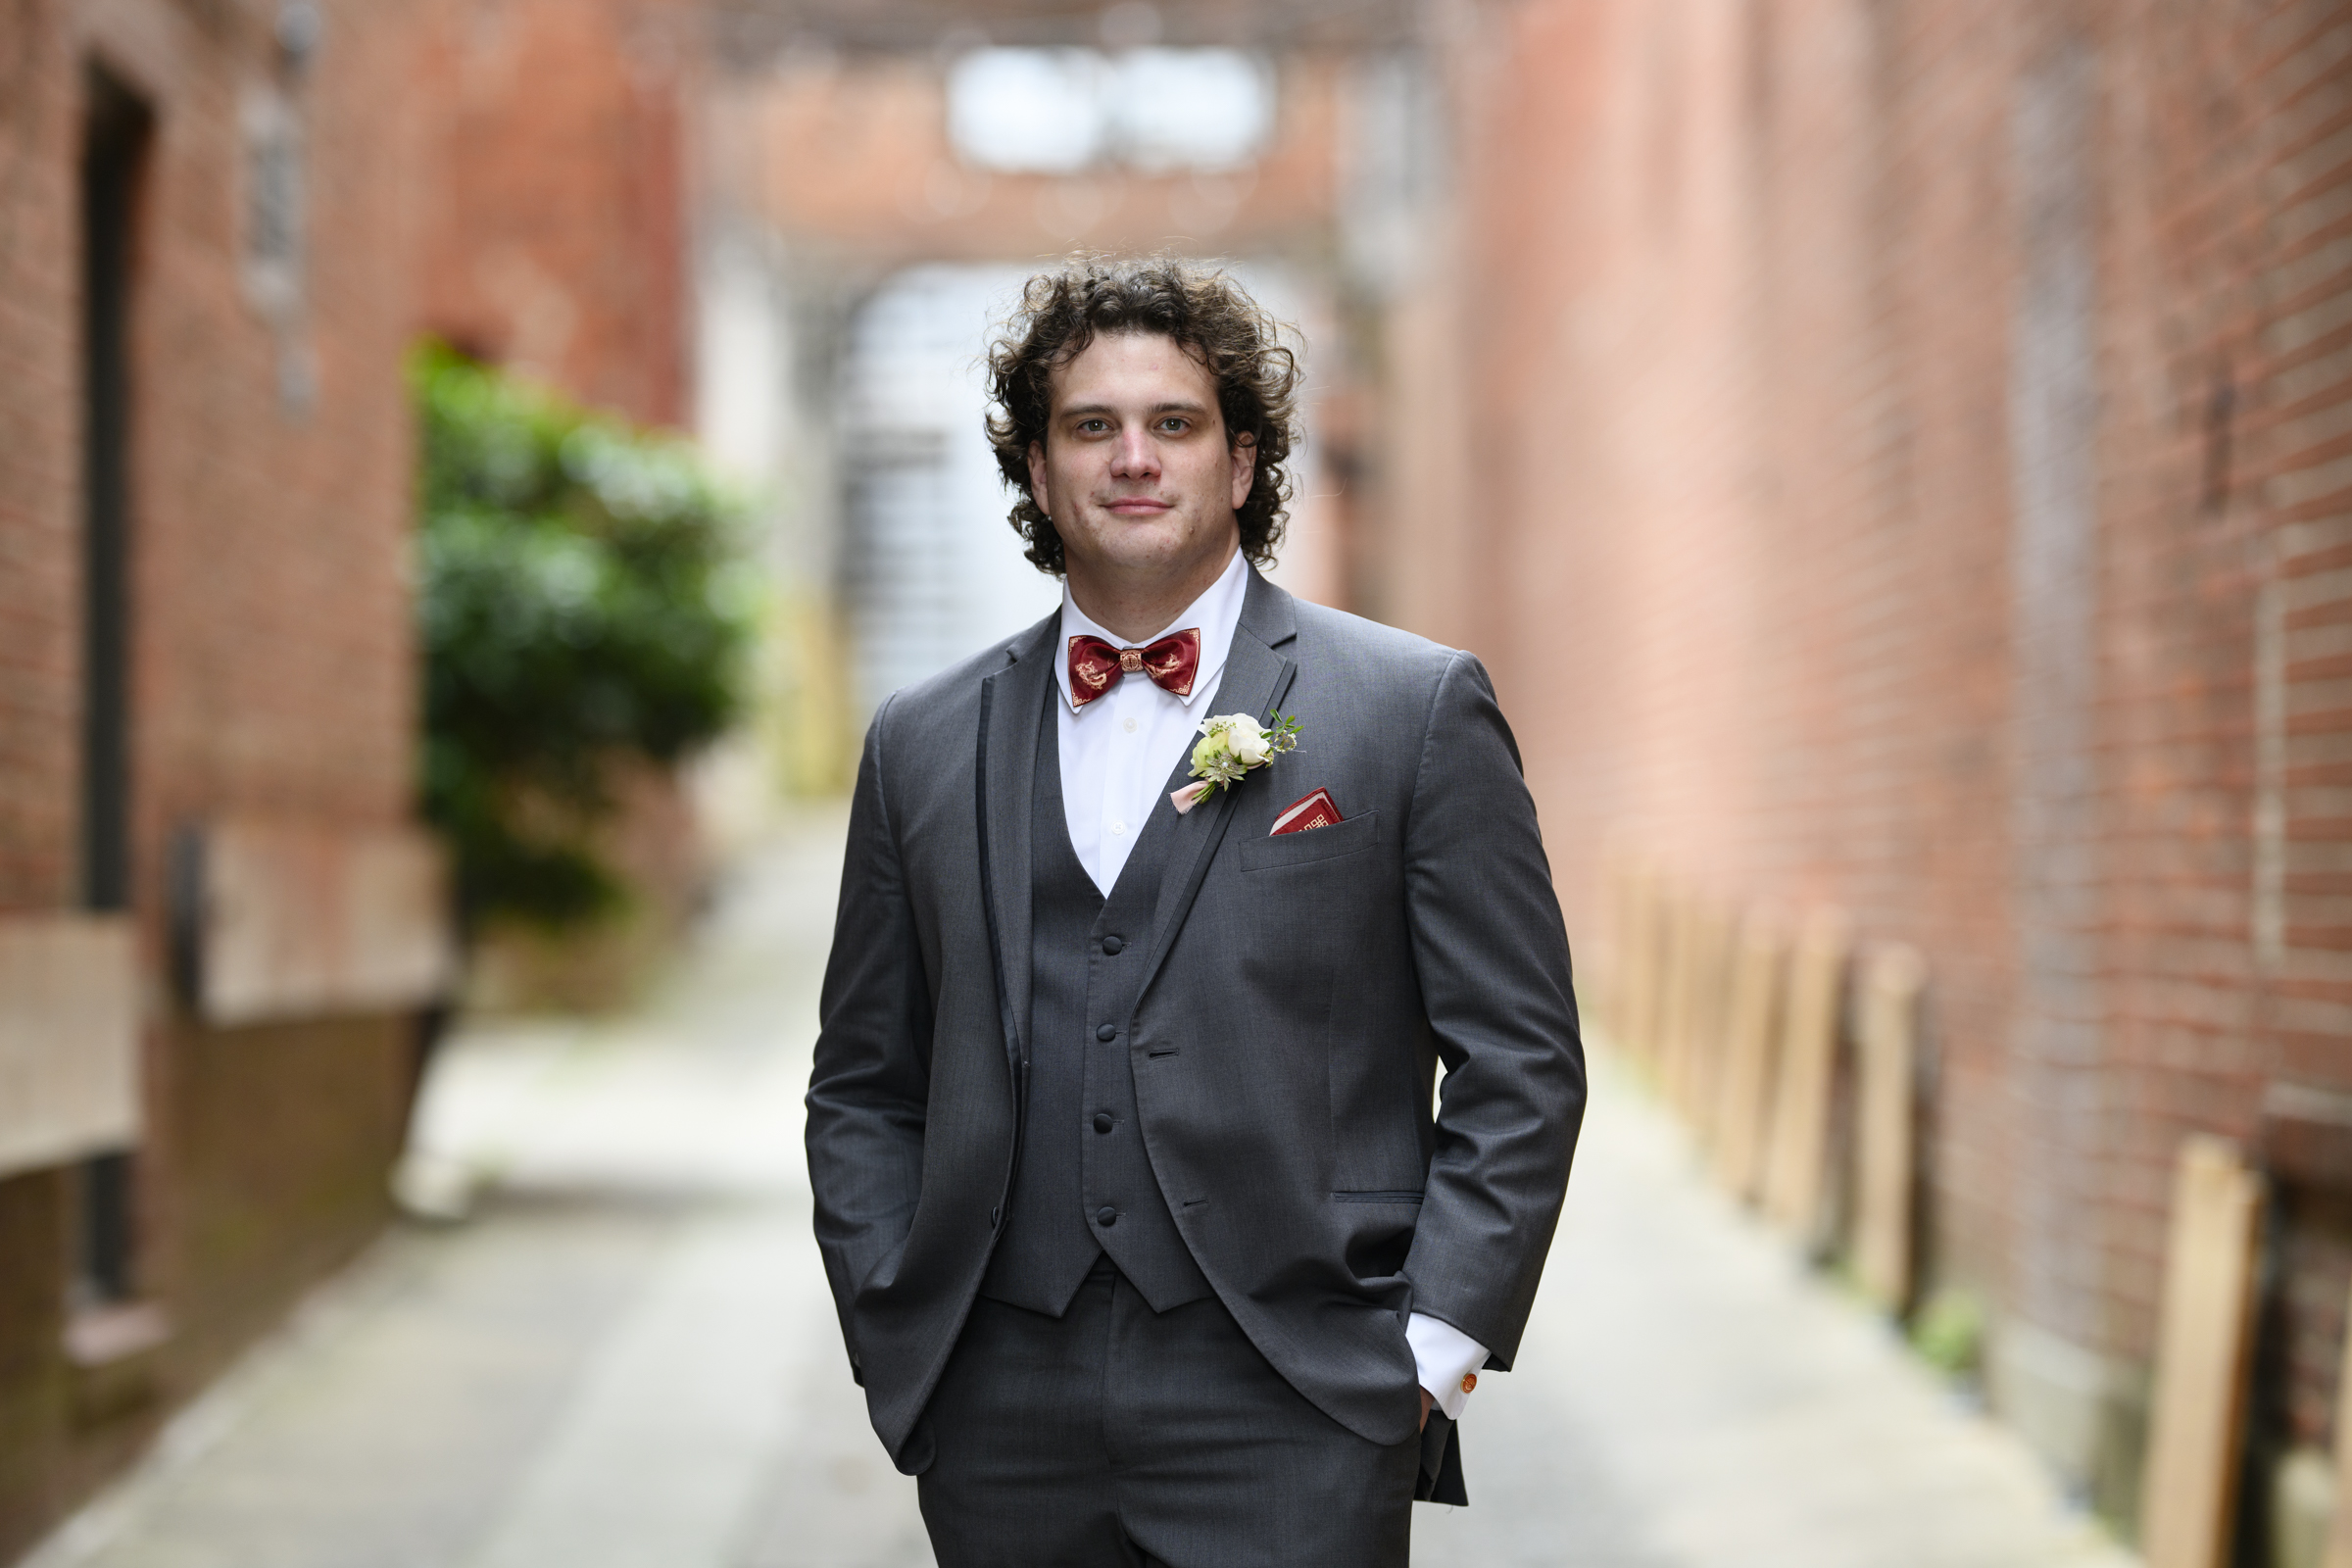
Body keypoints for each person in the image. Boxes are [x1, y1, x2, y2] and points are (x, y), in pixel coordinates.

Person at [806, 256, 1585, 1567]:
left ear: (1240, 464)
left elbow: (1521, 1062)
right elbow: (864, 1083)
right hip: (1001, 1412)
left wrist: (1429, 1354)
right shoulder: (920, 741)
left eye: (1174, 424)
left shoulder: (1410, 710)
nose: (1133, 459)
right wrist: (901, 1330)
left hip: (1300, 1393)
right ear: (1039, 472)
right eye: (1090, 427)